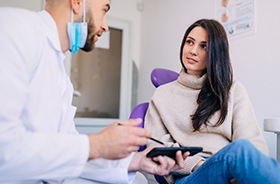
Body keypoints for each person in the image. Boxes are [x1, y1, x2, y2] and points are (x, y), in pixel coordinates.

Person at [0, 0, 189, 183]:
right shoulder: (14, 28)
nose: (105, 26)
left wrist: (137, 161)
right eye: (104, 10)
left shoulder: (61, 77)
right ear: (77, 3)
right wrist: (97, 144)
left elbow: (69, 153)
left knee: (138, 179)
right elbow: (4, 149)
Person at [144, 19, 280, 184]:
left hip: (231, 168)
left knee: (247, 151)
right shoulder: (162, 95)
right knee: (240, 150)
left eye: (204, 46)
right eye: (189, 42)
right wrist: (198, 164)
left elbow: (254, 142)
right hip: (189, 175)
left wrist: (239, 173)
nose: (193, 51)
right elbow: (156, 147)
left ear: (216, 52)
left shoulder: (232, 90)